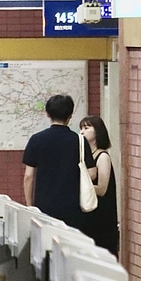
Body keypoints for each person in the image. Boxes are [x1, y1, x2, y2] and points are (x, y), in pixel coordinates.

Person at [22, 94, 91, 231]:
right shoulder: (79, 141)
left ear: (48, 114)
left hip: (44, 207)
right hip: (73, 207)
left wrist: (30, 205)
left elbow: (28, 176)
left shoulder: (36, 140)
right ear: (70, 115)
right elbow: (92, 172)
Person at [79, 115, 119, 256]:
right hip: (90, 215)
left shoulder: (102, 157)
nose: (82, 132)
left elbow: (102, 189)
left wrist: (80, 187)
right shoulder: (86, 156)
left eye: (86, 128)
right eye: (81, 128)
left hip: (102, 216)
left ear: (97, 131)